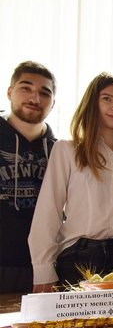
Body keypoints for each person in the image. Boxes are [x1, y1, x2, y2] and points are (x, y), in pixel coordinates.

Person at [29, 73, 113, 292]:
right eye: (107, 99)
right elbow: (48, 212)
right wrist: (43, 271)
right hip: (78, 257)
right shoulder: (67, 150)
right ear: (92, 104)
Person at [0, 61, 57, 294]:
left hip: (42, 268)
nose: (35, 98)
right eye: (26, 88)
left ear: (53, 103)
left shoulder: (59, 151)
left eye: (45, 93)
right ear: (10, 92)